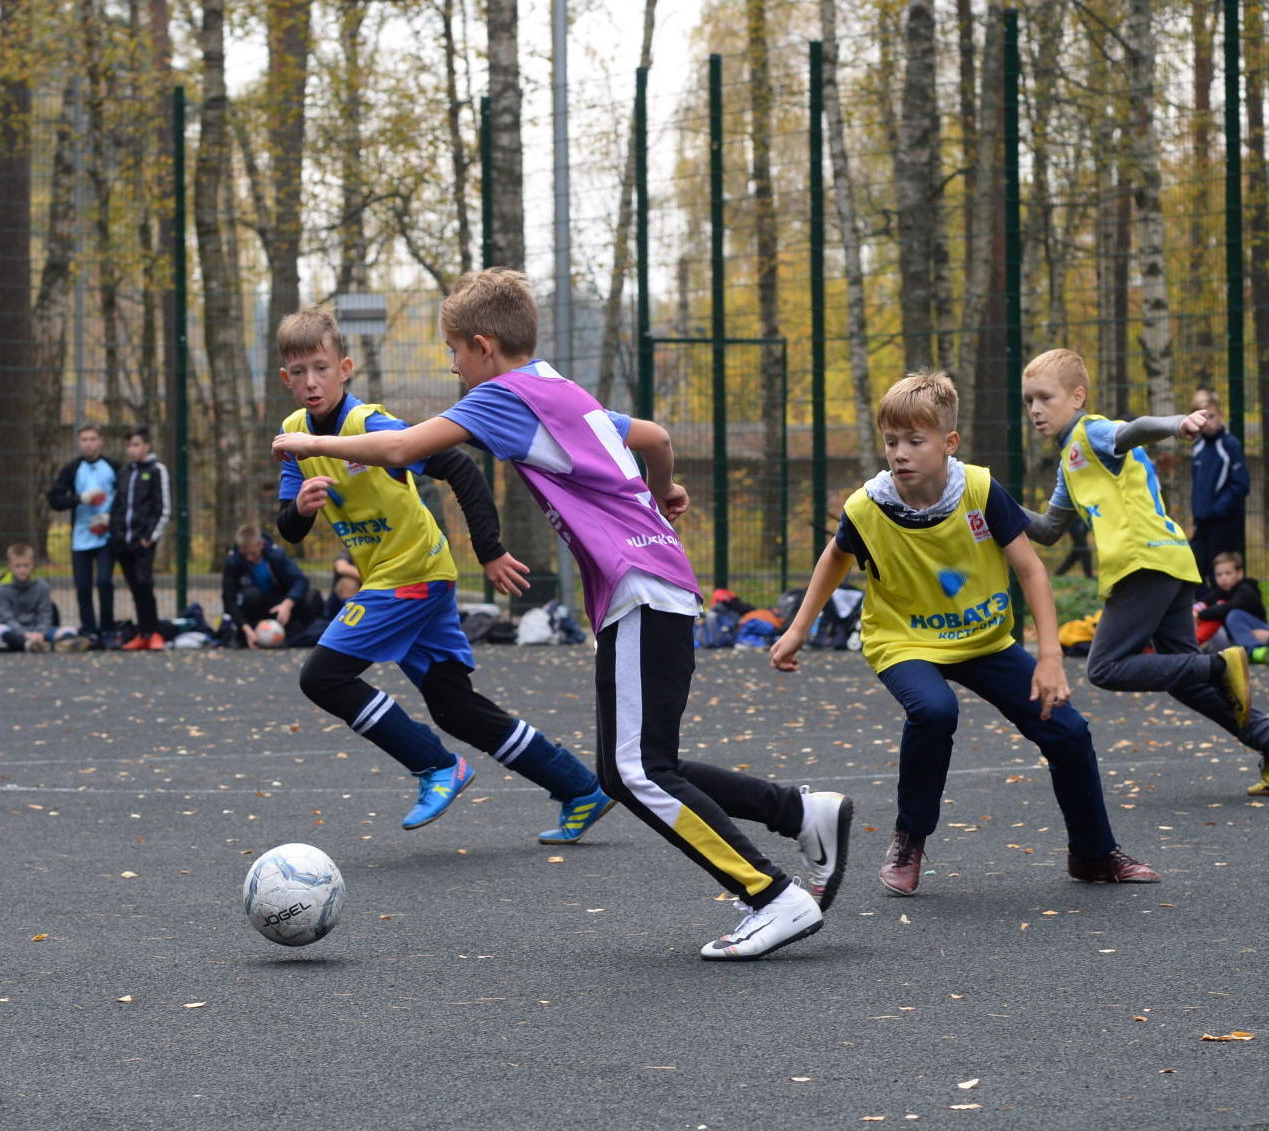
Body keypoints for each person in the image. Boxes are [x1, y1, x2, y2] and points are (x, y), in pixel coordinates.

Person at [273, 269, 852, 961]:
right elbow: (656, 435)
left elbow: (401, 449)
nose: (451, 365)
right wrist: (662, 493)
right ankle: (798, 812)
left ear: (483, 347)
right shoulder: (560, 391)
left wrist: (312, 444)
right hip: (649, 581)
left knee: (635, 771)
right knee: (632, 766)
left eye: (453, 351)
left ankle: (771, 896)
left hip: (638, 584)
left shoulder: (501, 396)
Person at [771, 371, 1159, 897]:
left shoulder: (978, 489)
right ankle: (910, 837)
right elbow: (835, 556)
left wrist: (1049, 656)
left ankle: (1092, 855)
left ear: (948, 443)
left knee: (1068, 731)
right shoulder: (869, 506)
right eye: (891, 442)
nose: (900, 453)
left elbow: (1031, 570)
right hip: (903, 640)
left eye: (915, 441)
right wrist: (798, 628)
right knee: (934, 710)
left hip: (984, 640)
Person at [269, 304, 617, 845]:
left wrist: (491, 550)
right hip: (393, 575)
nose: (311, 382)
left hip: (414, 573)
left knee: (323, 677)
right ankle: (579, 788)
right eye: (299, 372)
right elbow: (288, 529)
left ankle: (436, 767)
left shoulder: (368, 424)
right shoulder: (295, 436)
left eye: (321, 367)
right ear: (285, 378)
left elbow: (458, 465)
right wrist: (303, 510)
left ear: (346, 367)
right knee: (454, 706)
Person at [1015, 348, 1269, 798]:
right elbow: (1048, 529)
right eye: (1028, 401)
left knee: (1106, 667)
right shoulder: (1069, 464)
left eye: (1045, 397)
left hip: (1143, 563)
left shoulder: (1091, 431)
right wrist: (991, 502)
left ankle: (1218, 663)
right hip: (1169, 561)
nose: (1035, 409)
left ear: (1077, 397)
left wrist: (1177, 424)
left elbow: (1133, 430)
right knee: (1185, 679)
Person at [47, 424, 117, 644]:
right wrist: (79, 499)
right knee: (83, 585)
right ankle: (89, 628)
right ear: (79, 443)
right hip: (81, 536)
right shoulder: (71, 469)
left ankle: (107, 628)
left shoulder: (113, 467)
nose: (89, 443)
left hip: (106, 535)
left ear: (101, 441)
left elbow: (125, 497)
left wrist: (111, 518)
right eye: (84, 439)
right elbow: (55, 499)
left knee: (105, 581)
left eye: (93, 439)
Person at [109, 426, 171, 650]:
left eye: (136, 444)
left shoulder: (156, 470)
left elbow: (163, 508)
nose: (132, 449)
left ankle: (153, 631)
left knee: (145, 584)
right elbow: (118, 505)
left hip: (143, 541)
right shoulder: (125, 472)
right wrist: (115, 533)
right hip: (123, 541)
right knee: (134, 587)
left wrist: (149, 537)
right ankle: (142, 633)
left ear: (147, 446)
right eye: (129, 445)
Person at [1187, 388, 1249, 594]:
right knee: (1193, 569)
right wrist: (1197, 515)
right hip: (1202, 523)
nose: (1208, 422)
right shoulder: (1198, 447)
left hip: (1224, 523)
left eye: (1211, 416)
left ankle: (1223, 616)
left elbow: (1241, 485)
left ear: (1220, 415)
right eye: (1203, 417)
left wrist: (1217, 510)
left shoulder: (1230, 445)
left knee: (1220, 574)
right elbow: (1198, 487)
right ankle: (1201, 611)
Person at [222, 524, 314, 644]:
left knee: (310, 598)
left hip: (276, 603)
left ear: (261, 544)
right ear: (240, 549)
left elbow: (300, 581)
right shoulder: (233, 562)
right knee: (251, 595)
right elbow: (229, 599)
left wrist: (287, 604)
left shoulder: (276, 555)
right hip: (251, 606)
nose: (249, 558)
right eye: (245, 554)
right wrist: (244, 626)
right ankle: (247, 634)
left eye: (253, 553)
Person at [0, 542, 82, 651]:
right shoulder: (2, 588)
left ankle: (64, 644)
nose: (22, 570)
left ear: (32, 564)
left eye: (26, 565)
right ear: (10, 566)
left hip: (39, 631)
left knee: (70, 630)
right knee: (0, 630)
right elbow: (6, 617)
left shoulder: (42, 586)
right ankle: (29, 645)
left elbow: (45, 613)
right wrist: (25, 633)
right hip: (17, 631)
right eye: (18, 566)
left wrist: (39, 632)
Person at [1196, 551, 1267, 652]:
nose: (1223, 578)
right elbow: (1205, 602)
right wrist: (1195, 612)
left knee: (1233, 615)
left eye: (1228, 573)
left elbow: (1227, 608)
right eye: (1219, 575)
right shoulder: (1220, 592)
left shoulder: (1246, 590)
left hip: (1258, 629)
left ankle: (1251, 650)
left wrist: (1199, 615)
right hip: (1235, 635)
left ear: (1240, 573)